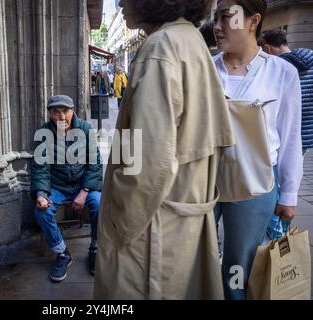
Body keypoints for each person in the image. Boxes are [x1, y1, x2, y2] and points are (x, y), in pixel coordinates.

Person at [94, 0, 235, 300]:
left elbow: (148, 165)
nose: (119, 3)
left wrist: (117, 225)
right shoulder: (189, 39)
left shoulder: (160, 48)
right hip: (177, 222)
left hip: (151, 231)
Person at [213, 0, 303, 299]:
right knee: (192, 260)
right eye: (216, 18)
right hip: (202, 183)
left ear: (253, 21)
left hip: (256, 185)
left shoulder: (282, 73)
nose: (217, 26)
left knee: (240, 266)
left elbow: (291, 137)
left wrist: (289, 194)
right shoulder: (204, 70)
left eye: (227, 17)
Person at [30, 95, 103, 282]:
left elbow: (94, 164)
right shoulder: (43, 133)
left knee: (99, 204)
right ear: (50, 114)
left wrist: (84, 191)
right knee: (41, 212)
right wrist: (41, 194)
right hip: (58, 186)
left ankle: (95, 247)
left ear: (73, 111)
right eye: (56, 112)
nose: (61, 116)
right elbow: (40, 168)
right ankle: (62, 252)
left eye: (65, 111)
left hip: (83, 184)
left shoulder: (85, 129)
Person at [260, 29, 313, 156]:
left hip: (284, 130)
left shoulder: (278, 69)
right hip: (307, 130)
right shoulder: (310, 59)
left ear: (267, 48)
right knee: (294, 168)